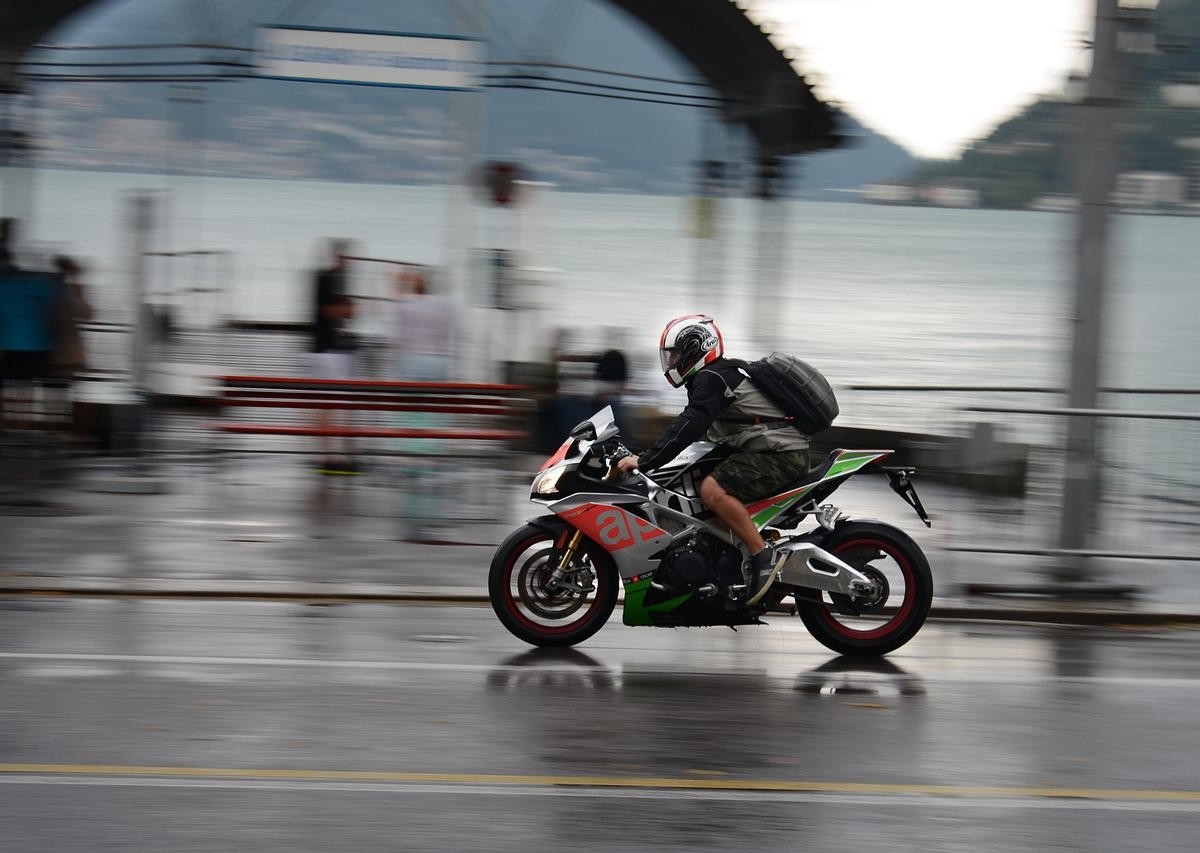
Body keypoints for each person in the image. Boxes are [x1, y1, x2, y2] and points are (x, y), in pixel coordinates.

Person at [616, 314, 810, 602]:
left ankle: (762, 556)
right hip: (765, 451)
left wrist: (646, 461)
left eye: (675, 355)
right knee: (694, 483)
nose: (671, 362)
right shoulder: (714, 376)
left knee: (711, 490)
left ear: (695, 350)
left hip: (781, 455)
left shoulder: (711, 378)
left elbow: (690, 423)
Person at [309, 239, 357, 473]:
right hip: (326, 350)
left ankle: (333, 454)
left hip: (333, 349)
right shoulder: (327, 278)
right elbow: (327, 311)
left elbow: (342, 313)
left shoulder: (337, 280)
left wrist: (348, 309)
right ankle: (329, 455)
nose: (349, 262)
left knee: (334, 403)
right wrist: (348, 309)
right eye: (347, 257)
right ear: (338, 257)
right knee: (330, 404)